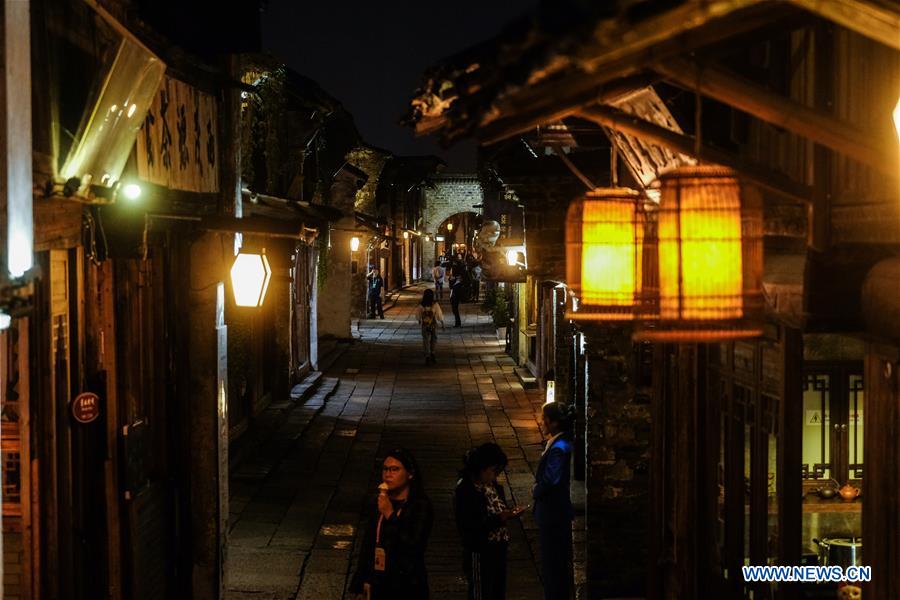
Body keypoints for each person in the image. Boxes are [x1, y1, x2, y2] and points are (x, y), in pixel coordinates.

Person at [350, 448, 434, 600]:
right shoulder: (381, 501)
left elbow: (413, 544)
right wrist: (362, 581)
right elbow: (369, 544)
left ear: (410, 474)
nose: (388, 474)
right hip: (379, 581)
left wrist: (390, 515)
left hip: (406, 584)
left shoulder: (420, 506)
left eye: (395, 469)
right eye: (385, 469)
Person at [454, 443, 524, 600]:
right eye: (493, 470)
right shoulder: (466, 490)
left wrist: (507, 514)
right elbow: (469, 525)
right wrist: (500, 518)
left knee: (497, 592)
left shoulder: (493, 486)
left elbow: (498, 507)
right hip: (480, 551)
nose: (495, 475)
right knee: (481, 592)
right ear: (482, 467)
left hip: (498, 548)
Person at [533, 402, 576, 600]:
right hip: (553, 513)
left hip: (553, 514)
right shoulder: (559, 442)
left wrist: (536, 490)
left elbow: (551, 479)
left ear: (553, 423)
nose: (542, 422)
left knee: (554, 565)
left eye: (544, 419)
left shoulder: (559, 447)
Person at [415, 289, 445, 364]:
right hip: (433, 324)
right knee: (434, 339)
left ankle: (427, 355)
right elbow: (439, 314)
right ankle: (433, 353)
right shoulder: (435, 304)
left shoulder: (421, 305)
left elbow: (418, 315)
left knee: (425, 340)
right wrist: (442, 324)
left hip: (425, 325)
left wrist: (419, 320)